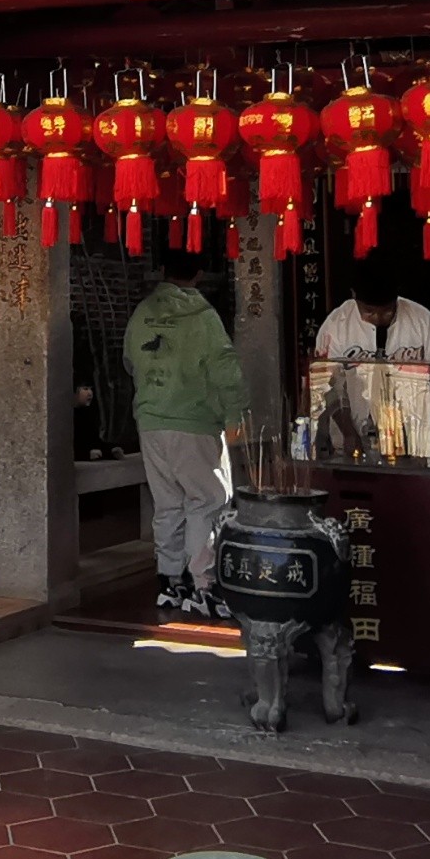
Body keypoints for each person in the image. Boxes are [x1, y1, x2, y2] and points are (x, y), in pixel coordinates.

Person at [122, 254, 250, 620]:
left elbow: (131, 361)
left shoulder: (142, 313)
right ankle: (203, 585)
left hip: (150, 419)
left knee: (168, 503)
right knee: (208, 499)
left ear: (163, 271)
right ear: (200, 273)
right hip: (193, 420)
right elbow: (226, 370)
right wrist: (234, 413)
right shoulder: (204, 318)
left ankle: (169, 581)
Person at [312, 253, 430, 363]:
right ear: (354, 296)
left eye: (387, 311)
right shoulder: (335, 326)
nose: (378, 318)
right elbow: (325, 384)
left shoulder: (423, 322)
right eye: (369, 312)